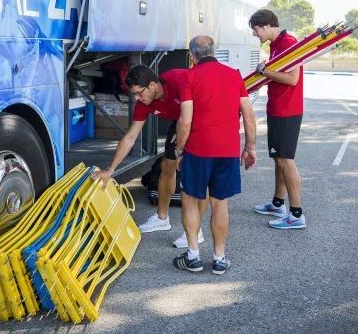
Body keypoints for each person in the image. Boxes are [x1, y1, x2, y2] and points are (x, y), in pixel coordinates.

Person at [92, 64, 205, 247]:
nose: (137, 98)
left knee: (194, 173)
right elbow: (130, 137)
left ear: (152, 86)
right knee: (167, 166)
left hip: (202, 115)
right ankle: (162, 219)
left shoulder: (179, 80)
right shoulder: (144, 103)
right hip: (181, 120)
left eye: (139, 93)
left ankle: (196, 231)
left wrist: (188, 129)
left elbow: (205, 102)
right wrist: (110, 170)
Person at [173, 35, 257, 274]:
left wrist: (180, 150)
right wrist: (250, 148)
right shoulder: (234, 75)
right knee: (220, 204)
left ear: (192, 56)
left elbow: (185, 119)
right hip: (228, 150)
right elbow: (248, 115)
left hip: (199, 149)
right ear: (214, 51)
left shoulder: (189, 76)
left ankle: (193, 256)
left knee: (189, 198)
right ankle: (219, 259)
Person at [248, 9, 306, 230]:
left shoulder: (289, 42)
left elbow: (292, 79)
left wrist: (265, 72)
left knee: (285, 160)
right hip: (277, 108)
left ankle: (296, 214)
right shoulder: (277, 44)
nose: (255, 35)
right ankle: (278, 203)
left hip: (287, 110)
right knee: (278, 158)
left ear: (265, 26)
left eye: (255, 30)